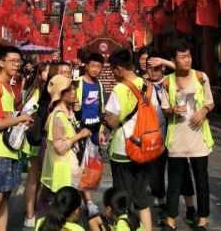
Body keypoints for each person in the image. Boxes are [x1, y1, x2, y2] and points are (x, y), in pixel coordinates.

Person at [160, 41, 214, 231]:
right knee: (174, 183)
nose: (187, 60)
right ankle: (171, 221)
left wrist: (203, 111)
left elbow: (210, 102)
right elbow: (164, 109)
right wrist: (172, 110)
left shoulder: (201, 77)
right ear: (173, 60)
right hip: (177, 140)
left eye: (189, 56)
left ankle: (202, 219)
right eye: (183, 57)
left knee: (202, 182)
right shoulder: (167, 82)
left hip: (199, 139)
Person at [0, 46, 33, 231]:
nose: (17, 65)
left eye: (19, 61)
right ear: (1, 62)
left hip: (10, 149)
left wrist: (19, 120)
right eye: (12, 61)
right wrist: (21, 118)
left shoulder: (8, 87)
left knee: (6, 197)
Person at [104, 48, 153, 231]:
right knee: (142, 198)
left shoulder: (119, 89)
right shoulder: (147, 85)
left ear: (119, 69)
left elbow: (113, 120)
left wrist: (105, 119)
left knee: (122, 199)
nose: (113, 74)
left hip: (123, 149)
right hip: (144, 146)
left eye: (112, 70)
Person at [146, 52, 196, 227]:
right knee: (156, 175)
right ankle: (162, 208)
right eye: (150, 68)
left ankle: (190, 209)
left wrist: (164, 61)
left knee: (184, 174)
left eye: (157, 68)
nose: (153, 71)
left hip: (176, 136)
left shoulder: (172, 81)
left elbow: (185, 71)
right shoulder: (144, 86)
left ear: (163, 68)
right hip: (155, 138)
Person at [40, 75, 91, 209]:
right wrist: (80, 135)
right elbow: (60, 147)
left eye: (74, 89)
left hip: (69, 170)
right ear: (60, 94)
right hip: (63, 174)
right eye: (69, 90)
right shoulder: (58, 117)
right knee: (65, 211)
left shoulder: (68, 113)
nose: (74, 92)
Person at [74, 53, 106, 216]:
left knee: (89, 167)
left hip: (95, 131)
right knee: (81, 165)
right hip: (80, 131)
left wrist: (101, 131)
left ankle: (83, 198)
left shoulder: (100, 85)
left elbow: (101, 109)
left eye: (99, 66)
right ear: (86, 66)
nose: (95, 69)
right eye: (92, 66)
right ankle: (88, 201)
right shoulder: (78, 83)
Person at [22, 62, 51, 227]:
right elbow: (26, 114)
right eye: (46, 71)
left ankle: (37, 208)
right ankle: (29, 214)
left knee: (41, 177)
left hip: (46, 141)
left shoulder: (51, 91)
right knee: (33, 177)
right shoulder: (36, 92)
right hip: (35, 141)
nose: (49, 73)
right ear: (39, 74)